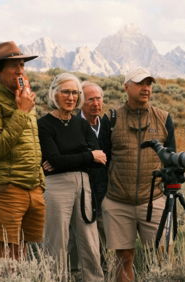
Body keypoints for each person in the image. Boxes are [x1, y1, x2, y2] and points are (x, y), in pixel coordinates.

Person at [0, 41, 45, 278]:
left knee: (20, 255)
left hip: (32, 188)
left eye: (22, 64)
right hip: (5, 189)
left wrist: (39, 182)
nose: (20, 70)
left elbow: (31, 144)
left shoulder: (24, 99)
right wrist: (22, 112)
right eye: (14, 66)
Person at [102, 67, 176, 282]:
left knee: (163, 258)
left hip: (153, 199)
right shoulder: (112, 118)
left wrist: (168, 192)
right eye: (140, 83)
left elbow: (170, 159)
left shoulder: (163, 118)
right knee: (123, 259)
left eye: (149, 84)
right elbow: (103, 159)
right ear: (126, 87)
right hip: (118, 201)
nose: (146, 88)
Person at [38, 73, 106, 281]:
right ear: (54, 94)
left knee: (90, 239)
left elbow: (100, 156)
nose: (71, 97)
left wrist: (72, 159)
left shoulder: (81, 124)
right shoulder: (44, 125)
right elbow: (56, 160)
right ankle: (54, 278)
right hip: (56, 186)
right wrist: (87, 156)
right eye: (66, 92)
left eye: (75, 93)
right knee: (56, 240)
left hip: (84, 185)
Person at [69, 81, 111, 274]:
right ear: (81, 102)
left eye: (99, 98)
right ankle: (76, 273)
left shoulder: (109, 126)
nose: (96, 103)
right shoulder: (72, 125)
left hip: (106, 193)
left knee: (105, 239)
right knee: (78, 240)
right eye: (90, 99)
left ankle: (105, 272)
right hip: (80, 193)